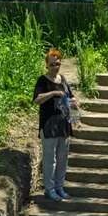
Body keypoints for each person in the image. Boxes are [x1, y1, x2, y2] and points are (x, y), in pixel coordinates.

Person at [33, 48, 78, 202]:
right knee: (49, 160)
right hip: (48, 126)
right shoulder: (42, 80)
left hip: (64, 125)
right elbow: (37, 99)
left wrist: (73, 103)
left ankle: (60, 187)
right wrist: (53, 93)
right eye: (52, 65)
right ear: (46, 65)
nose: (55, 67)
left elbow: (71, 98)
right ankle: (49, 189)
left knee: (62, 159)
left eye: (57, 64)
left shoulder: (63, 80)